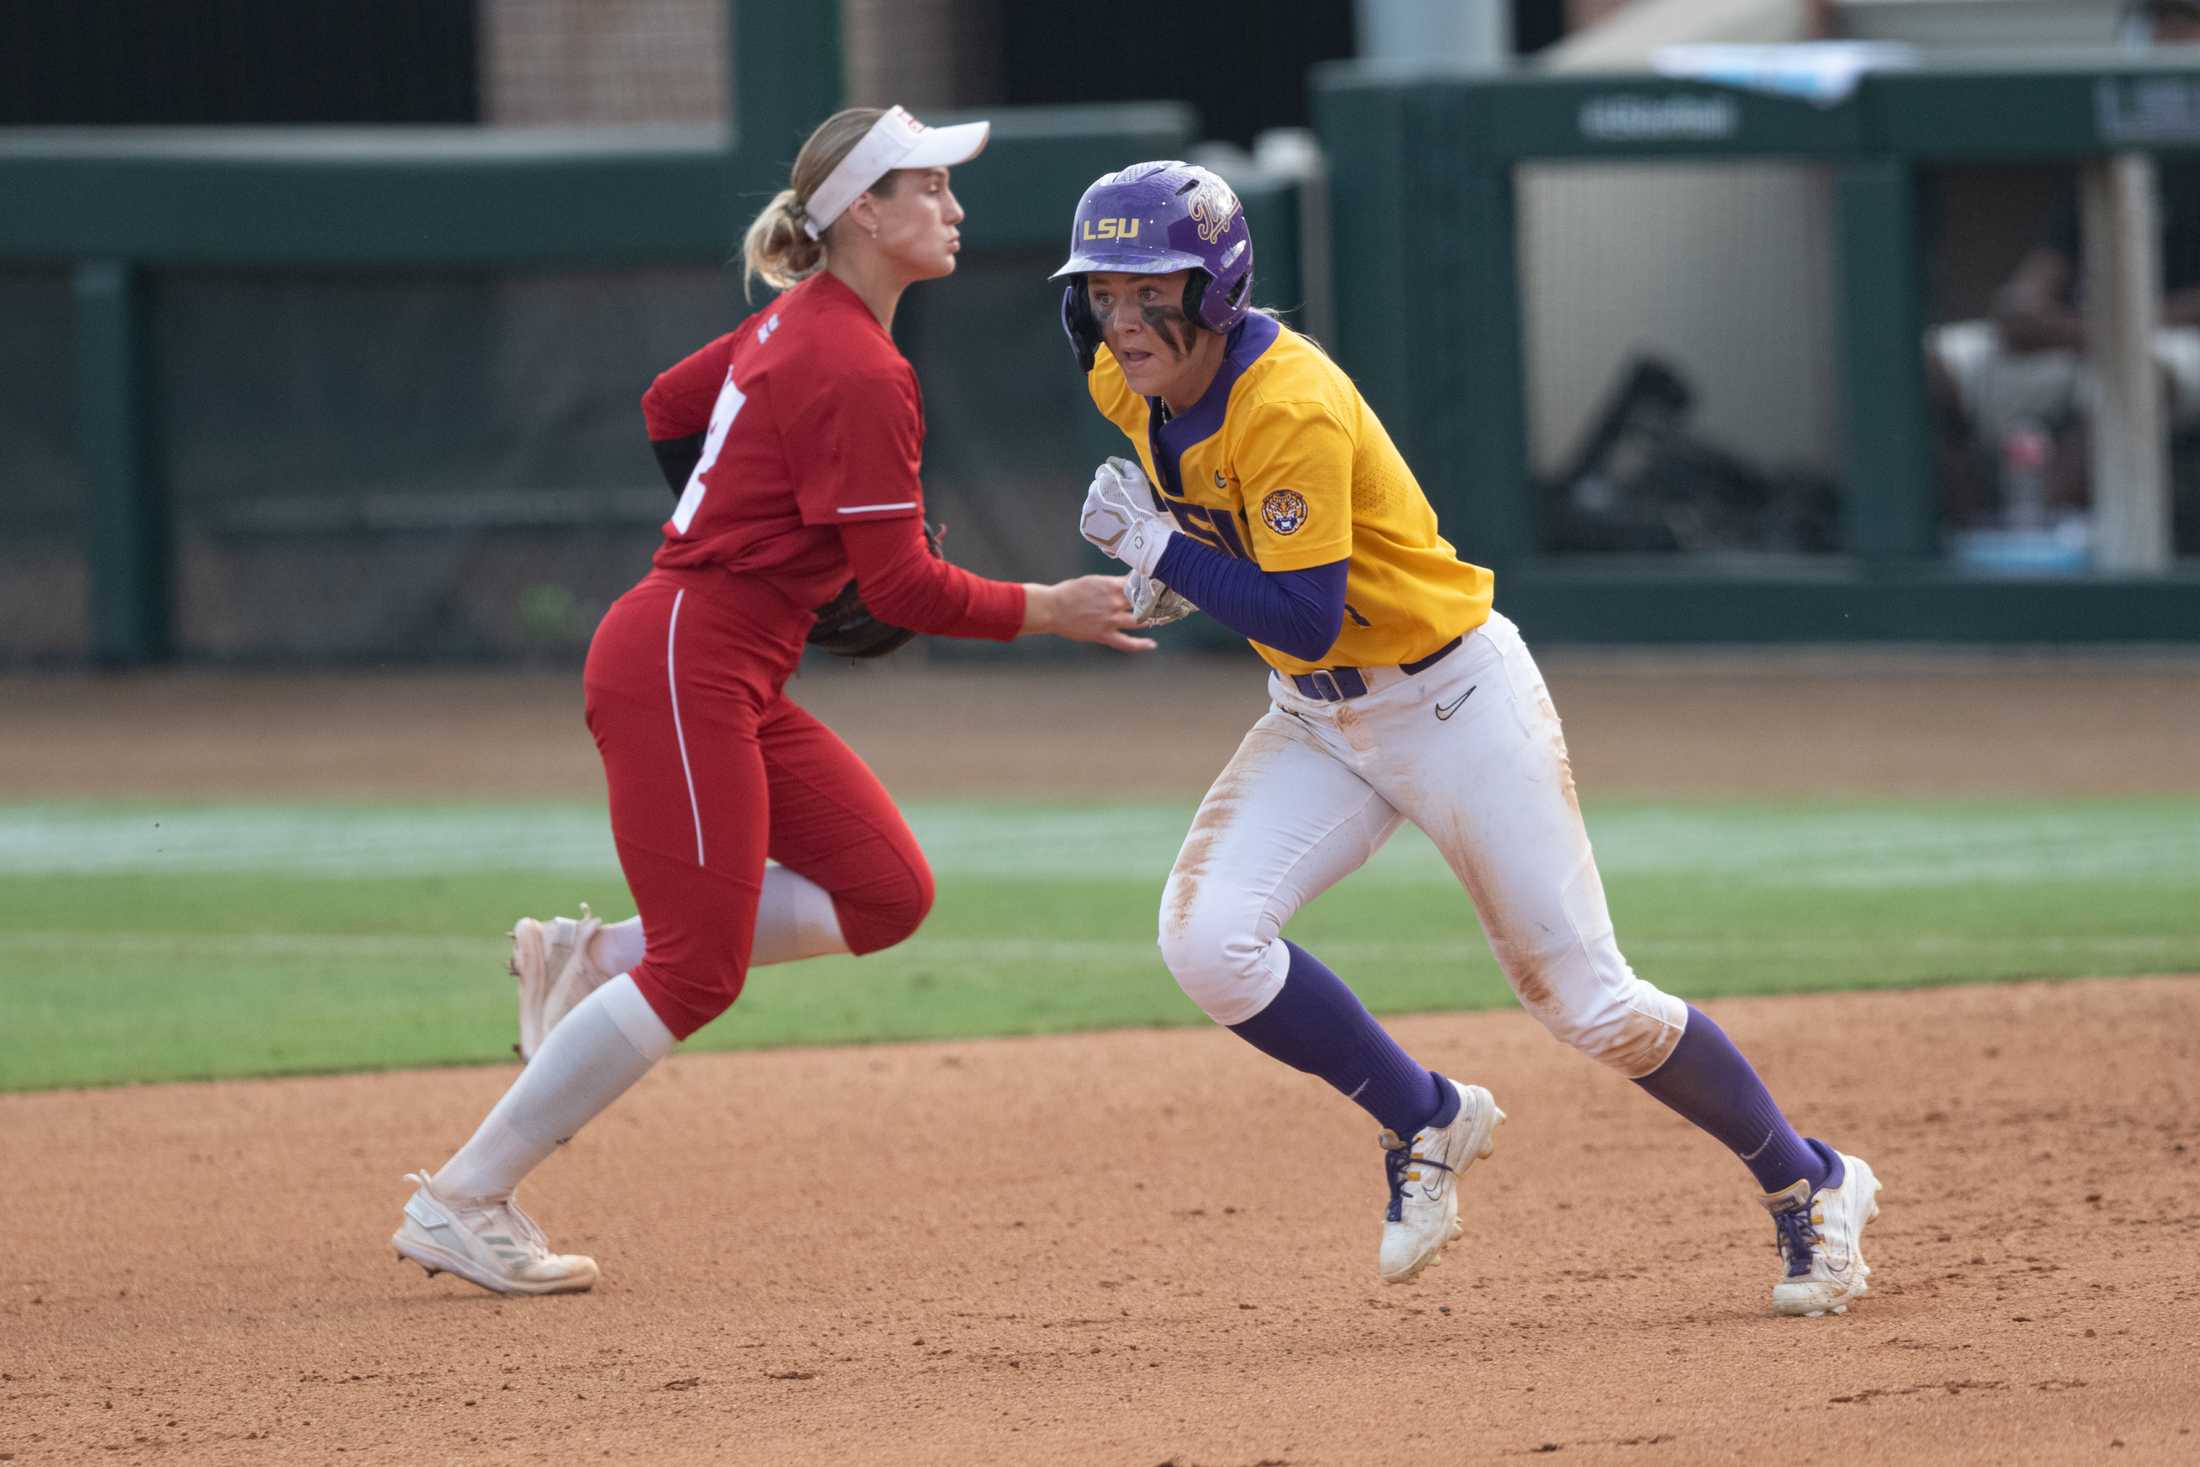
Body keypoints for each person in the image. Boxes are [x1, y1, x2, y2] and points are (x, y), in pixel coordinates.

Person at [1054, 161, 1881, 1316]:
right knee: (1208, 943)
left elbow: (1302, 606)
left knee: (1588, 1004)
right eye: (1104, 291)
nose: (1123, 320)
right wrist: (1182, 572)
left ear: (1217, 283)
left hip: (1448, 702)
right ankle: (1426, 1117)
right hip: (1315, 714)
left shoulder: (1286, 400)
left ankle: (1811, 1183)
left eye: (1150, 291)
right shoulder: (1121, 382)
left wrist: (1158, 554)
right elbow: (1258, 572)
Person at [393, 105, 1154, 1297]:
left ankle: (589, 959)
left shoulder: (807, 324)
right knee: (700, 970)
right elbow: (901, 583)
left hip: (724, 658)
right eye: (928, 188)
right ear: (863, 211)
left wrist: (763, 533)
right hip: (684, 657)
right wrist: (1048, 608)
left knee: (887, 892)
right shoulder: (854, 361)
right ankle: (462, 1197)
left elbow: (664, 406)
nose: (953, 209)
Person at [1927, 0, 2200, 529]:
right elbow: (2030, 291)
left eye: (2184, 23)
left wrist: (2115, 330)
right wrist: (2071, 326)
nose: (2168, 37)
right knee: (1927, 366)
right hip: (2083, 337)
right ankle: (1965, 551)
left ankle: (2056, 557)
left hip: (2168, 345)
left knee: (2136, 375)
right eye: (2157, 22)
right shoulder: (2112, 147)